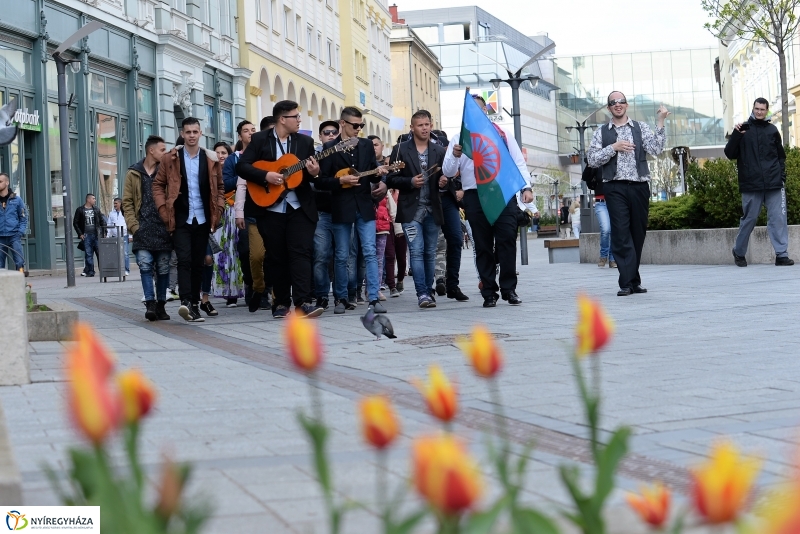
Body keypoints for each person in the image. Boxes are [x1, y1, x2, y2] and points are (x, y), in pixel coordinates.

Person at [442, 94, 533, 308]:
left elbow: (518, 163)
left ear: (485, 112)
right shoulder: (459, 139)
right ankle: (489, 292)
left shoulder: (502, 134)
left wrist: (526, 188)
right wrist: (455, 155)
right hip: (474, 196)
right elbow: (448, 171)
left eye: (479, 110)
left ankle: (509, 289)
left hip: (502, 193)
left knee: (507, 242)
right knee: (483, 245)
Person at [236, 100, 323, 319]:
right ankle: (281, 303)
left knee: (301, 253)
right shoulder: (259, 140)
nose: (299, 120)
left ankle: (303, 302)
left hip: (299, 206)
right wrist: (265, 175)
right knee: (277, 257)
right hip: (269, 207)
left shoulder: (305, 141)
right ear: (283, 119)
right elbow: (242, 166)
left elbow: (309, 173)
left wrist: (314, 172)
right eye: (296, 116)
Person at [587, 91, 669, 296]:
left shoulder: (640, 127)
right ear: (609, 108)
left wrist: (660, 121)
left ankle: (634, 280)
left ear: (627, 105)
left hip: (640, 186)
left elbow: (656, 149)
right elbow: (592, 160)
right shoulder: (601, 132)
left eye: (621, 101)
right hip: (614, 187)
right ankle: (625, 282)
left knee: (637, 234)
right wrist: (613, 147)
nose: (618, 105)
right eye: (613, 102)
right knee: (621, 233)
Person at [153, 117, 225, 322]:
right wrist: (163, 210)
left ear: (200, 133)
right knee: (184, 260)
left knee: (198, 262)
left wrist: (218, 208)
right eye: (188, 132)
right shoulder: (171, 158)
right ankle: (186, 302)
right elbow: (158, 185)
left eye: (195, 132)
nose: (192, 135)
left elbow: (220, 187)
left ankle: (194, 304)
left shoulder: (210, 159)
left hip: (203, 218)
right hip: (180, 217)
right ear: (182, 134)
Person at [317, 106, 387, 314]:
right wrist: (341, 180)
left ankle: (373, 298)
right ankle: (340, 298)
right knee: (341, 254)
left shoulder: (366, 145)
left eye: (361, 125)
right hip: (341, 206)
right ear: (343, 124)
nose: (358, 129)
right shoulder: (330, 147)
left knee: (370, 252)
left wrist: (379, 174)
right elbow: (321, 182)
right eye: (355, 125)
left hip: (364, 205)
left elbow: (372, 174)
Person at [387, 109, 448, 309]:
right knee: (416, 250)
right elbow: (390, 179)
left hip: (432, 210)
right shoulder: (400, 149)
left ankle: (428, 290)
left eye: (427, 124)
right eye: (420, 125)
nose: (424, 128)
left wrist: (444, 183)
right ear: (412, 128)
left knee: (430, 251)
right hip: (410, 210)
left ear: (431, 126)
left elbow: (448, 180)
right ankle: (422, 292)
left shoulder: (439, 151)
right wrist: (410, 181)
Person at [726, 97, 795, 267]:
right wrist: (736, 135)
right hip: (751, 184)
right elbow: (729, 153)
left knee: (778, 218)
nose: (759, 112)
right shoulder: (742, 129)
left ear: (766, 111)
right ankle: (739, 252)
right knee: (749, 219)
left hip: (774, 183)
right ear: (753, 108)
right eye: (757, 108)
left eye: (762, 109)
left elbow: (780, 156)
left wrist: (781, 176)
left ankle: (781, 254)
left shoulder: (772, 130)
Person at [123, 135, 171, 321]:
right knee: (144, 264)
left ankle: (161, 305)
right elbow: (127, 202)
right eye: (162, 150)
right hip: (142, 228)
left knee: (163, 267)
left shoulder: (166, 171)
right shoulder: (133, 173)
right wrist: (134, 226)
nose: (165, 153)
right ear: (151, 151)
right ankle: (150, 303)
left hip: (163, 228)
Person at [210, 140, 246, 309]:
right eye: (217, 152)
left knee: (237, 252)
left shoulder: (233, 169)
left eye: (224, 153)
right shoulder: (210, 172)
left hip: (234, 212)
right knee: (221, 253)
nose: (220, 155)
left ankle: (240, 290)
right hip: (220, 215)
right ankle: (226, 291)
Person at [313, 120, 340, 310]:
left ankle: (342, 295)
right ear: (320, 137)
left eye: (334, 132)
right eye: (326, 132)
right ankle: (321, 296)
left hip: (342, 212)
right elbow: (311, 183)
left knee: (342, 256)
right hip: (321, 212)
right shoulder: (314, 158)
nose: (330, 135)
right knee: (321, 255)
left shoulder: (345, 155)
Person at [582, 161, 616, 268]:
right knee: (606, 229)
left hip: (615, 202)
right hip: (601, 203)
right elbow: (586, 177)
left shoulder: (616, 162)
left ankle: (612, 259)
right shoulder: (598, 164)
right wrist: (590, 162)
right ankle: (603, 256)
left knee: (615, 230)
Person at [73, 193, 105, 278]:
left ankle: (103, 270)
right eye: (93, 198)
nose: (95, 200)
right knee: (88, 254)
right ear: (88, 199)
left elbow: (102, 221)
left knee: (100, 253)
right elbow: (75, 223)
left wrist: (103, 233)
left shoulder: (96, 209)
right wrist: (80, 234)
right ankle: (91, 271)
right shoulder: (80, 210)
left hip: (96, 235)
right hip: (86, 235)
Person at [0, 172, 26, 271]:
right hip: (0, 236)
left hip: (14, 235)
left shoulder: (16, 199)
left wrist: (20, 232)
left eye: (0, 181)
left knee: (19, 261)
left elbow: (23, 217)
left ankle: (21, 282)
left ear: (7, 183)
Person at [106, 198, 130, 275]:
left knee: (125, 253)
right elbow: (109, 224)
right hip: (114, 236)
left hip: (124, 235)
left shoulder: (125, 213)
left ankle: (126, 270)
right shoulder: (111, 213)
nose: (115, 205)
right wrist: (108, 236)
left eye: (116, 203)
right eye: (114, 203)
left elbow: (129, 224)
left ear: (120, 204)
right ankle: (117, 269)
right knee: (115, 253)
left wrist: (130, 235)